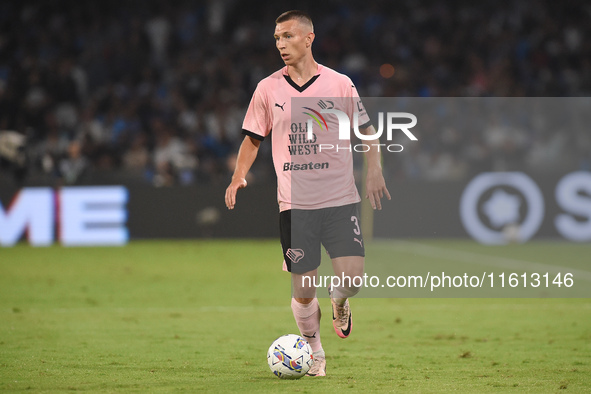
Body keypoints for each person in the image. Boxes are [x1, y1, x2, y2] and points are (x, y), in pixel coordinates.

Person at [225, 10, 390, 376]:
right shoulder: (267, 88)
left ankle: (339, 302)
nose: (281, 44)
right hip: (295, 205)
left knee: (352, 281)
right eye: (277, 38)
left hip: (340, 198)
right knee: (302, 292)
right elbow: (252, 138)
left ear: (308, 38)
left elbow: (367, 132)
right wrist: (238, 176)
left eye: (287, 36)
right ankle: (314, 352)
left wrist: (374, 170)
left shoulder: (340, 84)